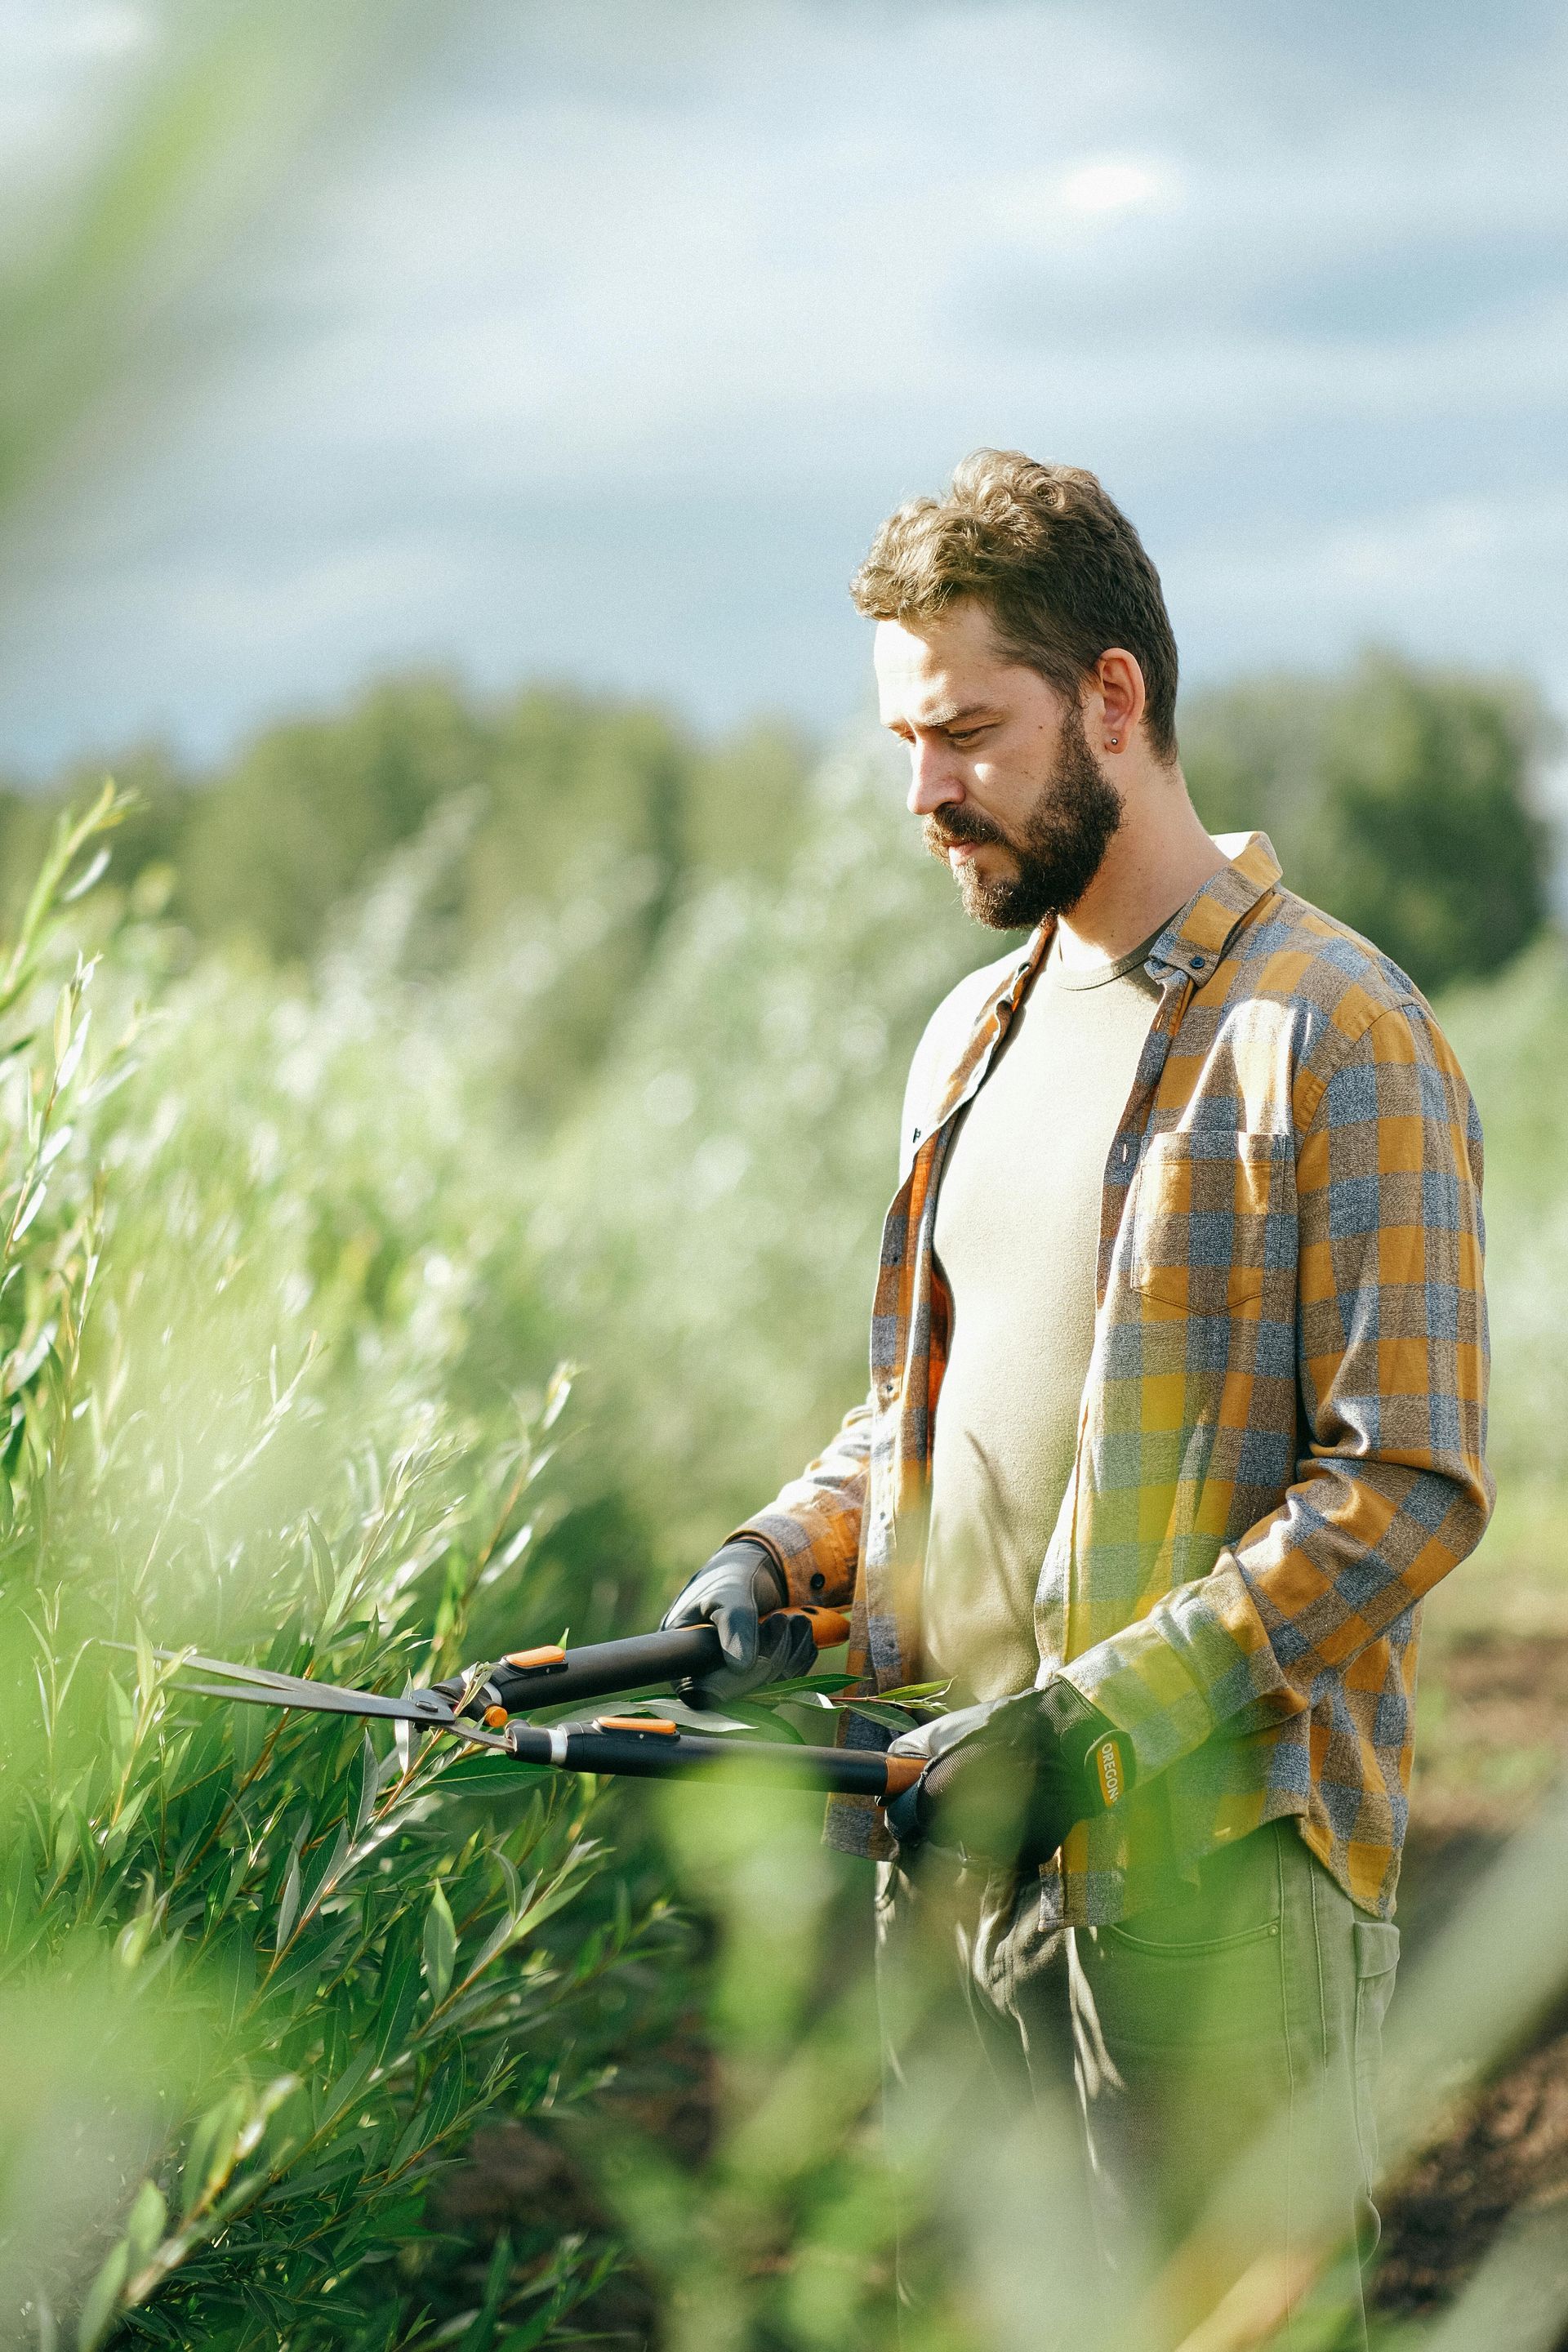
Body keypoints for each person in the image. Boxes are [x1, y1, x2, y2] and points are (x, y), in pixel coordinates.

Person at [662, 451, 1491, 2334]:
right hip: (942, 1854)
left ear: (1115, 698)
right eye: (903, 738)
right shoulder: (972, 1035)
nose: (921, 792)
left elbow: (1410, 1485)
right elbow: (924, 1417)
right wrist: (780, 1558)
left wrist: (1094, 1731)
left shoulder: (1333, 1033)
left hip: (1204, 1893)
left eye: (965, 733)